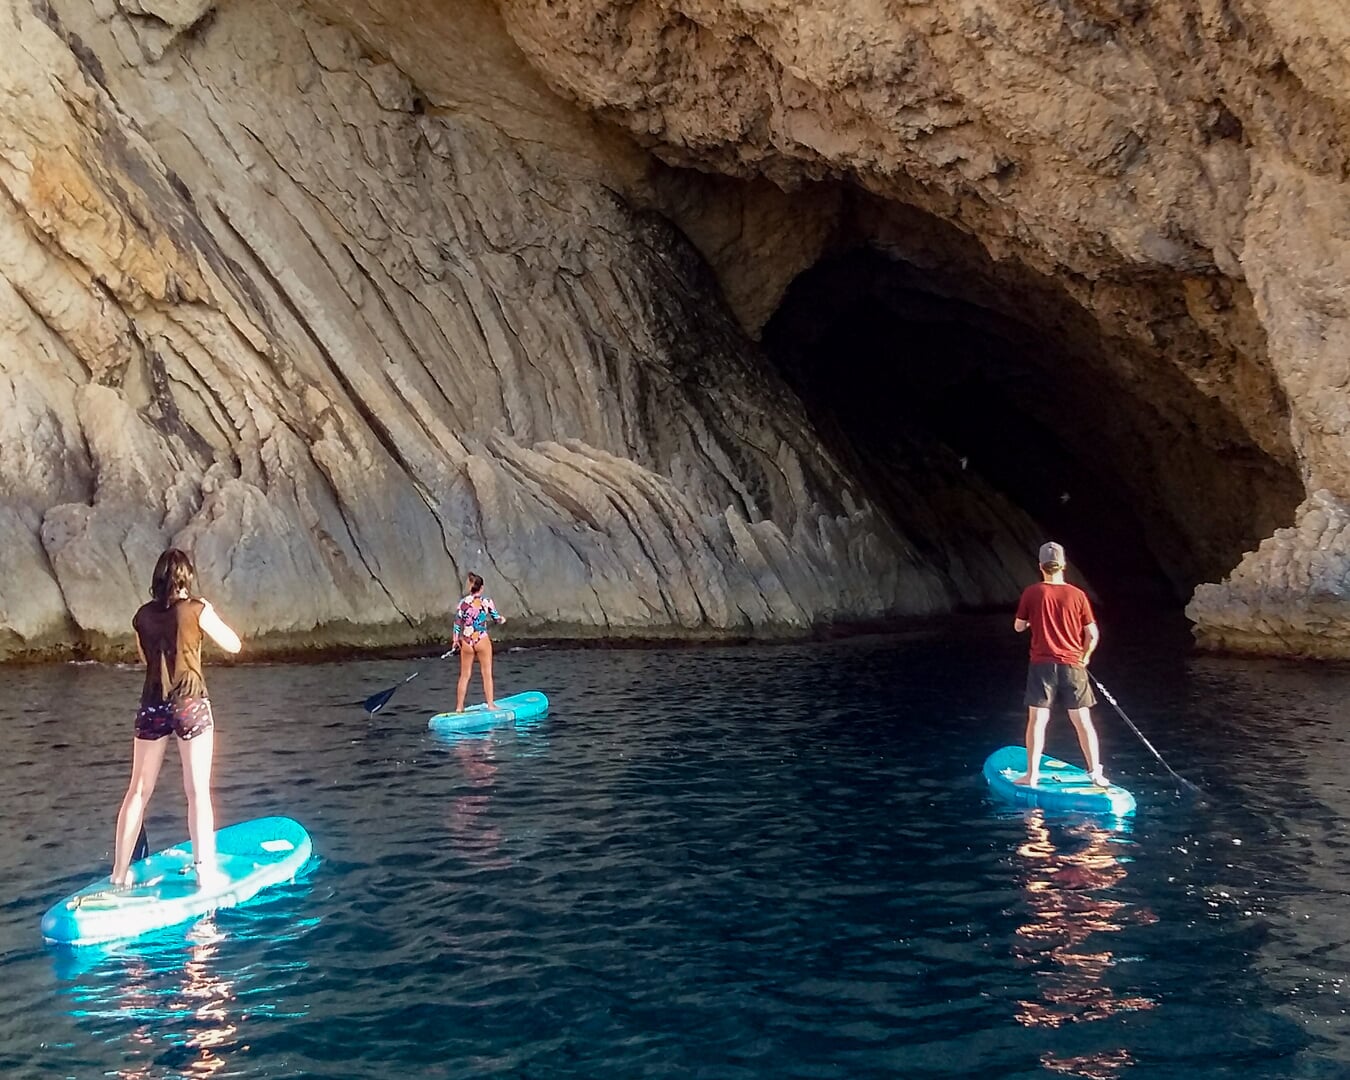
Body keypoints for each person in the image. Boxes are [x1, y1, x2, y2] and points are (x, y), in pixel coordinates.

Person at [111, 549, 241, 888]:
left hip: (152, 705)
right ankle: (204, 872)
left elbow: (146, 659)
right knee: (197, 791)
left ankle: (119, 874)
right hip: (190, 704)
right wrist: (207, 613)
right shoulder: (196, 610)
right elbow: (234, 645)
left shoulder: (142, 616)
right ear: (185, 579)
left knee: (137, 791)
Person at [1013, 541, 1106, 787]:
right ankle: (1095, 773)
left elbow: (1019, 626)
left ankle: (1031, 776)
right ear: (1064, 565)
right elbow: (1093, 634)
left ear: (1041, 566)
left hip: (1042, 666)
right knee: (1082, 721)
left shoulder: (1032, 593)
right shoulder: (1078, 595)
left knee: (1037, 720)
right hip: (1073, 666)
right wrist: (1084, 657)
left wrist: (1033, 620)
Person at [452, 572, 506, 712]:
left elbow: (457, 623)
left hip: (467, 641)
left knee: (464, 675)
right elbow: (496, 618)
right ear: (481, 588)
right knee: (486, 673)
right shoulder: (487, 601)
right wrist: (501, 620)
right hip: (481, 639)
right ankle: (490, 705)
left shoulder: (462, 603)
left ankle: (459, 707)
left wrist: (455, 640)